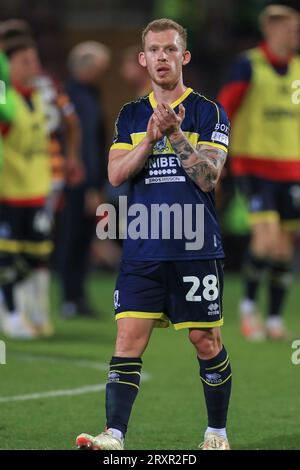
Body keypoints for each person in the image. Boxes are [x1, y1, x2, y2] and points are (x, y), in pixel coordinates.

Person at [76, 18, 231, 451]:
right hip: (143, 246)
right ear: (143, 60)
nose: (162, 57)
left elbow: (208, 178)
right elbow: (116, 173)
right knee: (127, 339)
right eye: (154, 51)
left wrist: (176, 134)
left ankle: (216, 433)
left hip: (195, 245)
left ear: (185, 57)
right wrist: (149, 138)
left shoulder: (209, 111)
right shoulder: (130, 115)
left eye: (170, 49)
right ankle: (114, 435)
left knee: (206, 340)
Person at [218, 5, 300, 340]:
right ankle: (249, 308)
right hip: (253, 165)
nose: (294, 35)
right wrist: (218, 151)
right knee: (264, 242)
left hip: (291, 169)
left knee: (283, 248)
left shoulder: (297, 69)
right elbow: (225, 106)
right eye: (289, 29)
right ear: (270, 30)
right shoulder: (248, 65)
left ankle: (275, 318)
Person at [0, 32, 53, 338]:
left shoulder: (37, 97)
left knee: (38, 257)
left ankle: (37, 312)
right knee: (7, 260)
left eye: (35, 59)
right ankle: (11, 315)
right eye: (25, 61)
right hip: (8, 193)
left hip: (36, 192)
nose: (34, 66)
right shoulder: (6, 102)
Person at [57, 41, 110, 318]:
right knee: (71, 237)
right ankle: (69, 297)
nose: (102, 73)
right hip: (75, 182)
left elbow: (96, 144)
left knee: (83, 238)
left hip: (89, 182)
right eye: (100, 67)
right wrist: (89, 185)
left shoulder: (88, 95)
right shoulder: (69, 98)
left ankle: (77, 296)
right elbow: (84, 146)